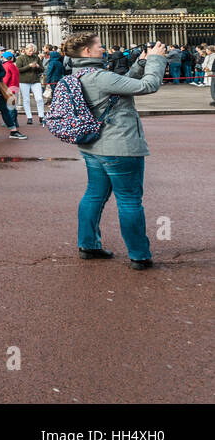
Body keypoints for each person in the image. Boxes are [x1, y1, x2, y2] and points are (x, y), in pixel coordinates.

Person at [62, 33, 167, 270]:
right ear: (87, 51)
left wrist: (140, 64)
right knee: (129, 201)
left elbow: (118, 87)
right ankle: (139, 255)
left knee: (94, 195)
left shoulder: (80, 74)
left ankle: (88, 244)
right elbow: (148, 86)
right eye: (99, 45)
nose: (103, 48)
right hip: (119, 146)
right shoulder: (100, 76)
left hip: (93, 146)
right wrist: (156, 60)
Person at [15, 44, 46, 126]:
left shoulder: (36, 57)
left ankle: (41, 116)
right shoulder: (20, 58)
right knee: (26, 99)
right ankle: (29, 117)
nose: (31, 52)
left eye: (32, 51)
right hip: (24, 81)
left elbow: (42, 69)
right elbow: (18, 70)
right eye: (29, 50)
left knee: (39, 98)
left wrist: (38, 67)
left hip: (35, 80)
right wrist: (29, 66)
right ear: (25, 50)